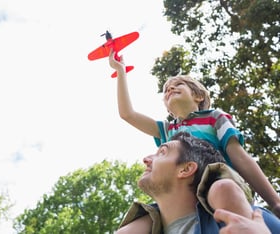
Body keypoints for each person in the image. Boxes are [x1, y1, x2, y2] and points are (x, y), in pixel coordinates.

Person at [108, 50, 280, 230]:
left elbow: (240, 157)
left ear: (198, 96)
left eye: (178, 84)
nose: (170, 89)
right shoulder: (168, 130)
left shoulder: (214, 118)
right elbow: (127, 114)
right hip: (179, 196)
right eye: (166, 90)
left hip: (216, 180)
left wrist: (274, 201)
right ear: (168, 108)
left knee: (222, 190)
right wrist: (121, 72)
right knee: (131, 228)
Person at [116, 132, 280, 234]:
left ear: (186, 169)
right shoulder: (137, 228)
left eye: (162, 152)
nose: (146, 159)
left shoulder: (250, 220)